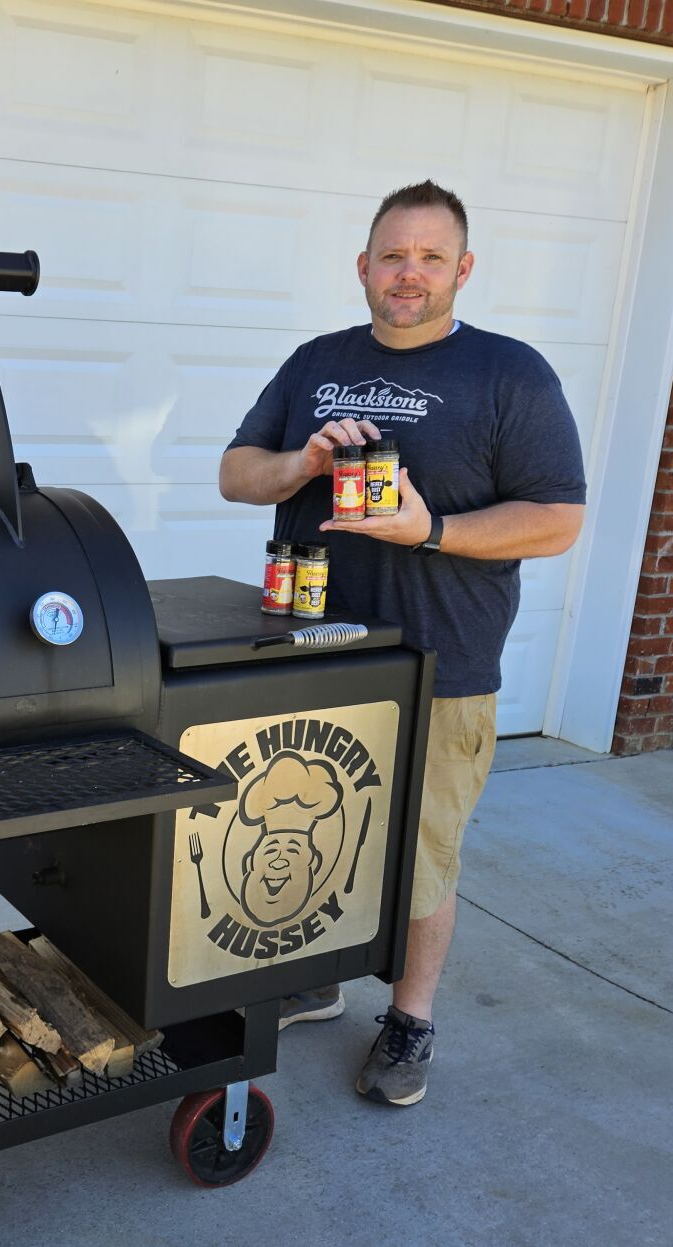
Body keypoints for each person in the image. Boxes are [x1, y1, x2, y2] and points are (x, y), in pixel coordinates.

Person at [217, 180, 586, 1106]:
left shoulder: (510, 373)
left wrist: (429, 530)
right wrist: (302, 461)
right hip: (309, 650)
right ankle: (315, 974)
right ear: (363, 267)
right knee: (303, 823)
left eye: (429, 257)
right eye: (392, 255)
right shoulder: (316, 361)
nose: (408, 274)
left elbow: (556, 521)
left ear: (461, 269)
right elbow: (234, 473)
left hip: (440, 664)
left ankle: (411, 1019)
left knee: (421, 849)